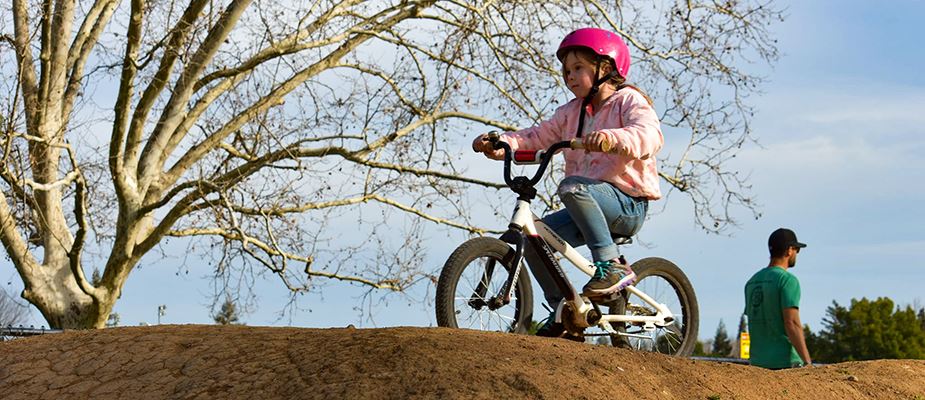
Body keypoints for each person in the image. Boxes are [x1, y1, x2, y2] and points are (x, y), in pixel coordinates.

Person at [472, 28, 664, 337]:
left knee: (571, 186)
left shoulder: (627, 101)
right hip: (584, 207)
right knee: (534, 242)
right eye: (566, 71)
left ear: (606, 68)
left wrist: (611, 138)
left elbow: (649, 135)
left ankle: (611, 264)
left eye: (578, 68)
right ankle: (564, 310)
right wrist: (502, 143)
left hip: (626, 204)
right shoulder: (570, 114)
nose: (570, 76)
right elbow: (537, 137)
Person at [743, 228, 813, 369]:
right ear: (789, 250)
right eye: (797, 250)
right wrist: (807, 361)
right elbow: (791, 322)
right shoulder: (787, 280)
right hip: (785, 362)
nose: (797, 254)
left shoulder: (751, 282)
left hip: (757, 364)